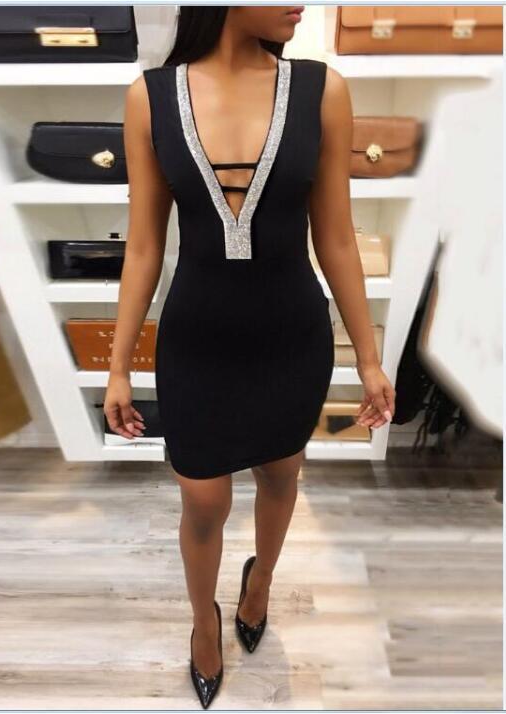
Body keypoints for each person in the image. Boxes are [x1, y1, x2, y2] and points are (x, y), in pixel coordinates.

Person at [104, 6, 396, 709]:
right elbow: (143, 245)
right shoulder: (150, 97)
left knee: (280, 472)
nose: (302, 5)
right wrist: (118, 366)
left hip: (290, 337)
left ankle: (260, 581)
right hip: (197, 340)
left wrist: (370, 358)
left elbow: (336, 237)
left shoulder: (322, 90)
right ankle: (203, 619)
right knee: (203, 499)